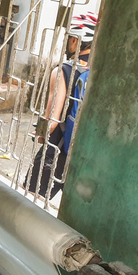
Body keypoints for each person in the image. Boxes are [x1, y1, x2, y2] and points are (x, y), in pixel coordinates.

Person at [25, 12, 98, 198]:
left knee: (30, 204)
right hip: (87, 153)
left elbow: (52, 121)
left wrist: (39, 134)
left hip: (58, 150)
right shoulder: (100, 69)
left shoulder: (64, 70)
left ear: (75, 40)